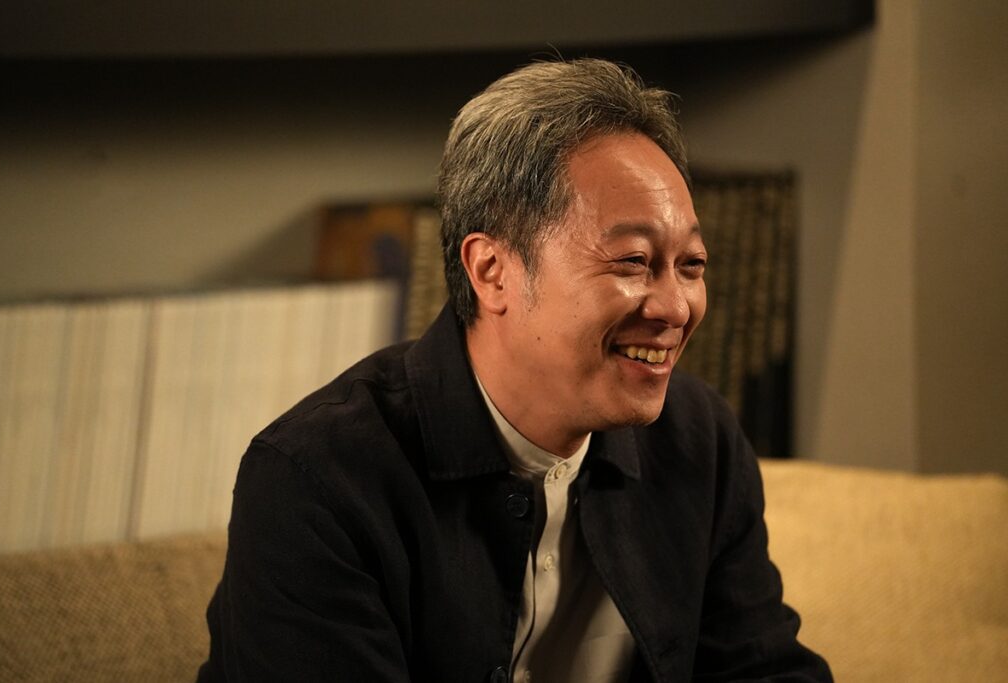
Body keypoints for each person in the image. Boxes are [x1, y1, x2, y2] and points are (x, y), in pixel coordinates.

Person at [198, 58, 832, 682]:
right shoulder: (315, 482)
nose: (676, 307)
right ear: (492, 271)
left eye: (691, 265)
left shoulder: (699, 442)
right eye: (633, 262)